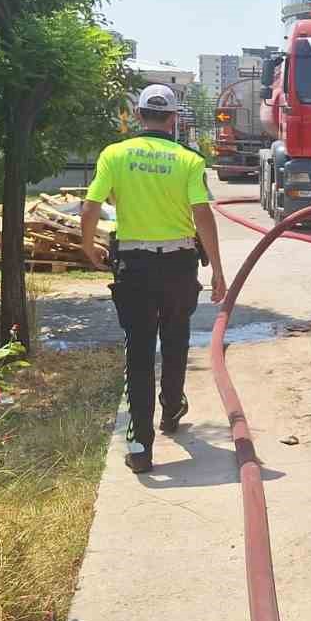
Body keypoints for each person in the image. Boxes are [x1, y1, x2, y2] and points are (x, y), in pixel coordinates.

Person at [81, 85, 227, 474]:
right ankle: (172, 408)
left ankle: (140, 447)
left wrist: (87, 245)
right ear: (174, 118)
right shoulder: (189, 160)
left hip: (134, 265)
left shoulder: (114, 154)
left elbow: (91, 204)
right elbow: (203, 216)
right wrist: (217, 269)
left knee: (140, 353)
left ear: (140, 115)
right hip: (179, 264)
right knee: (176, 339)